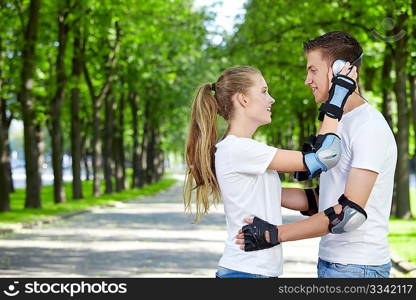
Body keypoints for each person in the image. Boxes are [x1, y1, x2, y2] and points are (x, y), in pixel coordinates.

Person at [237, 31, 397, 278]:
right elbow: (320, 200)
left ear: (340, 69)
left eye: (313, 70)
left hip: (358, 268)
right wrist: (253, 190)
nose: (306, 80)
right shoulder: (338, 124)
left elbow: (347, 214)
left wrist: (275, 234)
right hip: (333, 264)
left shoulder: (369, 127)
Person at [183, 63, 357, 278]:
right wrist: (338, 94)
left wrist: (321, 200)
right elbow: (325, 156)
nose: (271, 99)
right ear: (243, 99)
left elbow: (276, 195)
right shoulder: (239, 149)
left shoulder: (240, 149)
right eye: (264, 91)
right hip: (247, 272)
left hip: (251, 271)